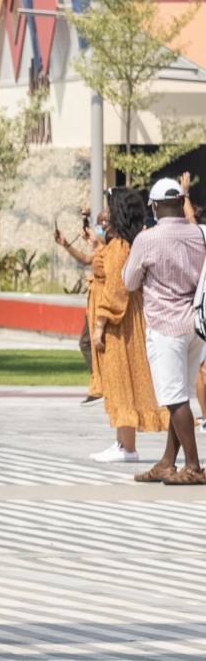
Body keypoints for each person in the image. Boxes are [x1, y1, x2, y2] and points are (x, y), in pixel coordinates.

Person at [121, 178, 206, 484]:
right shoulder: (199, 234)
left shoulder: (148, 239)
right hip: (195, 325)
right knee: (180, 395)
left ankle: (194, 466)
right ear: (181, 200)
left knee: (174, 399)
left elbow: (129, 281)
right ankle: (167, 462)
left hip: (165, 326)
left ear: (155, 206)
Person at [87, 190, 164, 465]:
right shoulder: (120, 243)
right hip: (123, 320)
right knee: (118, 380)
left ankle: (127, 446)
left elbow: (117, 289)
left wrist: (100, 323)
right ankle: (121, 442)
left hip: (120, 325)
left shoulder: (121, 246)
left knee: (122, 379)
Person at [55, 206, 101, 401]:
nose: (97, 230)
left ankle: (102, 384)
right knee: (87, 342)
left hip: (103, 302)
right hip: (95, 300)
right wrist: (66, 244)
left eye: (103, 225)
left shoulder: (113, 248)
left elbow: (87, 257)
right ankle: (99, 382)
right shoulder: (105, 248)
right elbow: (86, 257)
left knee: (90, 343)